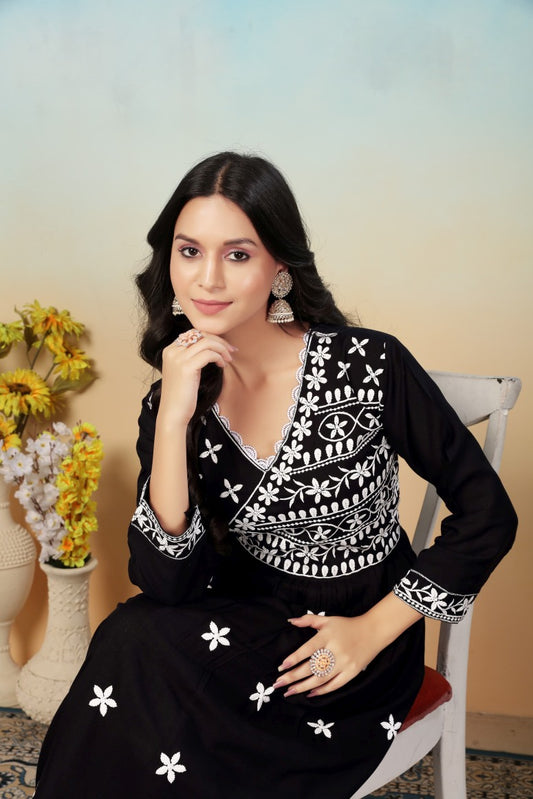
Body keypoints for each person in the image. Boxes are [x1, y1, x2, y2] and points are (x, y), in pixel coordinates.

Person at [34, 152, 517, 799]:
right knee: (133, 639)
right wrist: (173, 419)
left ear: (280, 268)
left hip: (356, 644)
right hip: (240, 623)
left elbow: (489, 516)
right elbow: (167, 583)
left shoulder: (366, 365)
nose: (207, 278)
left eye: (237, 254)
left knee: (159, 702)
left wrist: (369, 632)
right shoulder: (176, 397)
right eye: (189, 251)